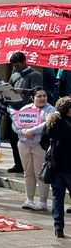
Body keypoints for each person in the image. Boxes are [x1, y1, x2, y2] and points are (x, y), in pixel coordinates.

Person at [13, 88, 55, 211]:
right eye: (39, 96)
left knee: (40, 173)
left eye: (44, 95)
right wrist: (24, 131)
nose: (42, 98)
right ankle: (29, 199)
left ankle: (42, 202)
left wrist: (31, 130)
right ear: (32, 97)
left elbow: (47, 124)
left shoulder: (50, 109)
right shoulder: (25, 109)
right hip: (24, 144)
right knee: (28, 172)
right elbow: (15, 124)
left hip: (40, 146)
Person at [6, 52, 43, 173]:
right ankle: (18, 164)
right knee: (12, 138)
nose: (16, 67)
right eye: (14, 65)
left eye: (18, 65)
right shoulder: (14, 75)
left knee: (26, 140)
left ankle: (27, 165)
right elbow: (9, 89)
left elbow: (37, 91)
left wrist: (23, 90)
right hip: (13, 110)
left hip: (27, 112)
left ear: (24, 62)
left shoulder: (35, 74)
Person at [45, 97, 71, 237]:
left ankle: (58, 227)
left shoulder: (52, 123)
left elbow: (43, 142)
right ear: (68, 110)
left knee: (57, 198)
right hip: (68, 168)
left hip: (55, 167)